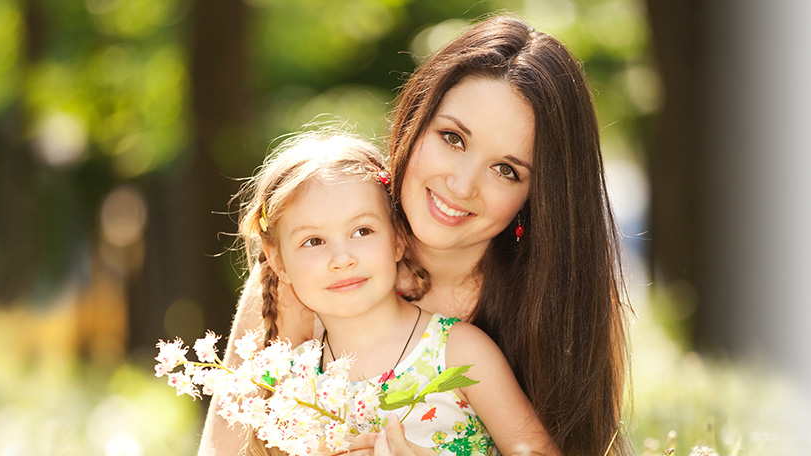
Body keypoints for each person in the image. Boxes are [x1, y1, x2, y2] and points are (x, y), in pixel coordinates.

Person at [200, 15, 630, 456]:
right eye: (452, 138)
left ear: (536, 199)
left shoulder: (548, 310)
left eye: (506, 170)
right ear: (414, 123)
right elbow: (226, 448)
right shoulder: (310, 278)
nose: (461, 186)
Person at [216, 129, 557, 456]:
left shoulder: (457, 351)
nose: (342, 259)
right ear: (279, 264)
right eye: (314, 241)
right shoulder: (295, 385)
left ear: (397, 240)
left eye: (362, 231)